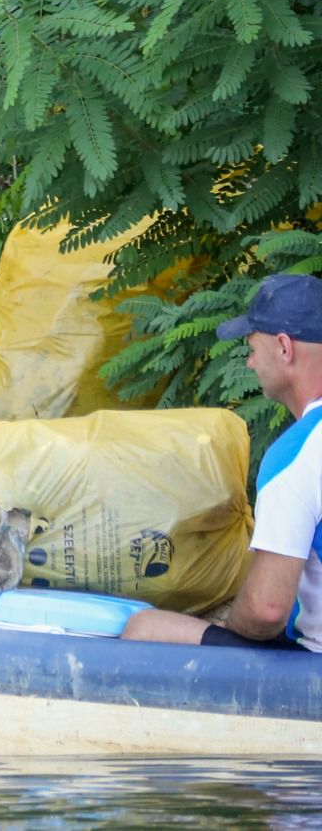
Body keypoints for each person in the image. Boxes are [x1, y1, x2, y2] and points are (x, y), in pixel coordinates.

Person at [122, 273, 322, 653]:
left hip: (313, 672)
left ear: (284, 348)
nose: (249, 363)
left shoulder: (299, 454)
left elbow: (266, 609)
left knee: (144, 627)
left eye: (251, 347)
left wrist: (226, 625)